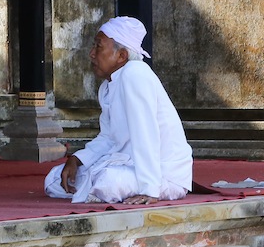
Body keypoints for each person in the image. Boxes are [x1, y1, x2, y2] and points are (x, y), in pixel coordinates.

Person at [44, 16, 192, 205]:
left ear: (121, 55)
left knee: (108, 182)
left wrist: (150, 189)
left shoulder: (135, 73)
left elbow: (146, 133)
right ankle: (96, 185)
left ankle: (145, 186)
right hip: (126, 165)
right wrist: (77, 159)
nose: (91, 54)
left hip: (163, 173)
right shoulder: (107, 86)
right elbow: (108, 138)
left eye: (98, 47)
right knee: (54, 179)